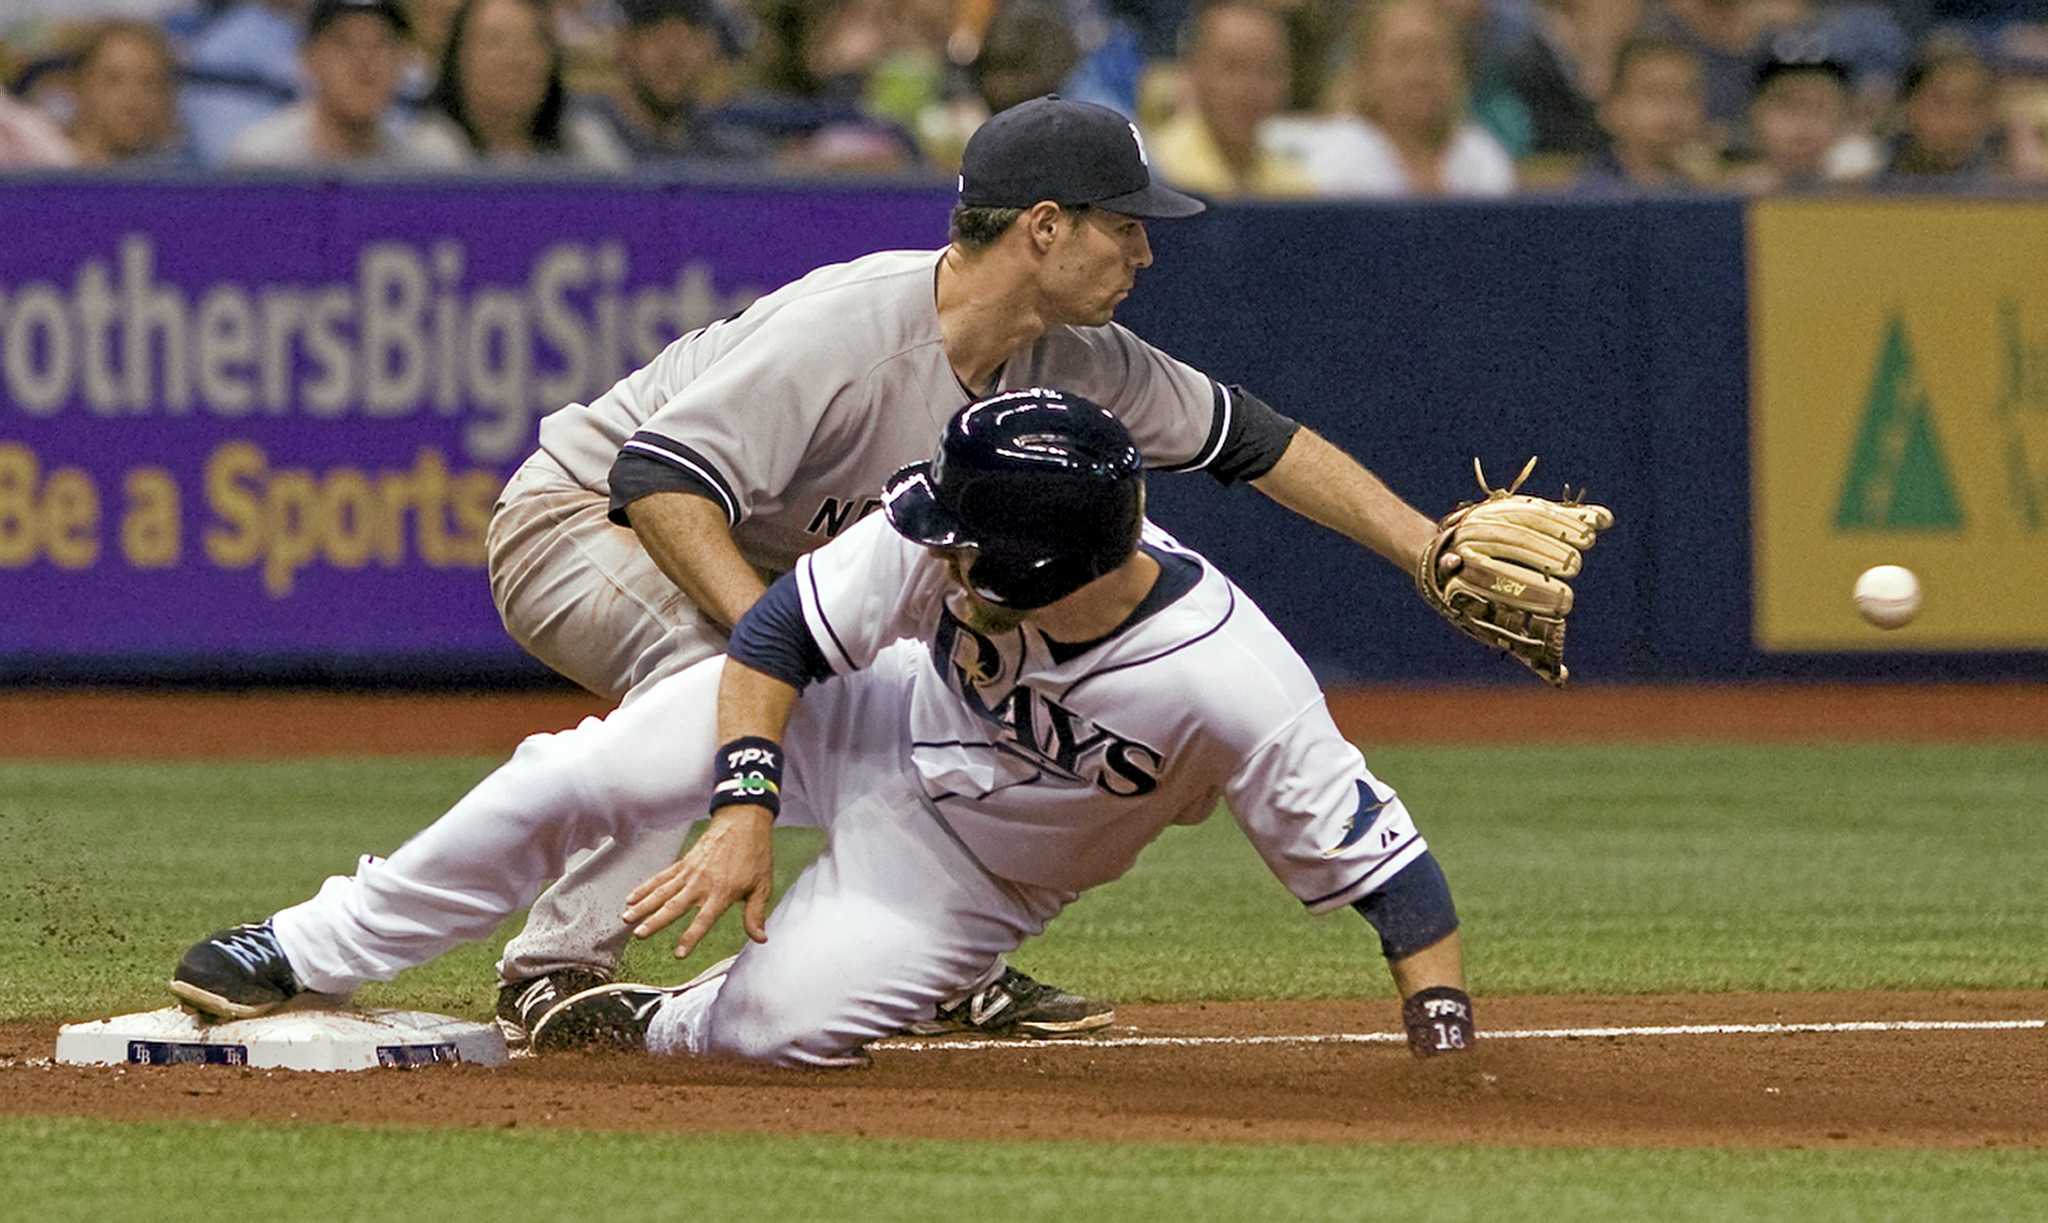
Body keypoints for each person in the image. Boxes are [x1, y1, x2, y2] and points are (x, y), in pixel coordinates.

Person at [435, 95, 1484, 1051]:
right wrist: (775, 638)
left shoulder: (1081, 355)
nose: (1141, 253)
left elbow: (1250, 439)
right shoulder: (853, 329)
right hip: (576, 522)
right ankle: (556, 966)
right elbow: (656, 478)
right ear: (1041, 227)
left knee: (932, 685)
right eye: (1122, 224)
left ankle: (934, 961)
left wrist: (1421, 547)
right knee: (725, 673)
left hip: (746, 548)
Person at [170, 393, 1566, 1067]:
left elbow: (1396, 874)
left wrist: (1441, 1037)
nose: (935, 549)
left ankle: (652, 1025)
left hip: (974, 877)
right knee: (584, 769)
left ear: (1047, 562)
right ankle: (299, 946)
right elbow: (776, 636)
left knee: (774, 1033)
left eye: (967, 544)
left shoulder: (1231, 681)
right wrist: (743, 799)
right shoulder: (943, 517)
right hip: (875, 715)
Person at [1268, 0, 1515, 197]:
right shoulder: (1333, 160)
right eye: (1402, 55)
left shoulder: (1481, 156)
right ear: (1364, 70)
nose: (1420, 74)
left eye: (1435, 55)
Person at [409, 0, 629, 169]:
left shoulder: (586, 143)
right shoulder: (427, 156)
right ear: (457, 58)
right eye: (494, 42)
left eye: (530, 41)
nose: (515, 59)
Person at [227, 0, 445, 166]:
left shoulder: (426, 164)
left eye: (380, 44)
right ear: (309, 59)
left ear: (403, 61)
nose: (364, 63)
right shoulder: (262, 161)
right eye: (344, 43)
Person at [1147, 0, 1316, 197]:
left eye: (1268, 70)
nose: (1251, 88)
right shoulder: (1157, 172)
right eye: (1233, 67)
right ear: (1193, 71)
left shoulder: (1295, 189)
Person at [578, 0, 767, 165]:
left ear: (709, 48)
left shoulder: (727, 149)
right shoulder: (575, 133)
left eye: (689, 37)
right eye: (655, 35)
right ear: (625, 45)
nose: (673, 55)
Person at [1571, 33, 1714, 192]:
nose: (1671, 108)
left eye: (1685, 94)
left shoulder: (1701, 191)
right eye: (1653, 93)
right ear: (1612, 108)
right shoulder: (1591, 196)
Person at [1728, 37, 1854, 191]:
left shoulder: (1879, 191)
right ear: (1755, 113)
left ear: (1846, 116)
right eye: (1787, 105)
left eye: (1819, 107)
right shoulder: (1715, 191)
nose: (1803, 123)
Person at [1879, 34, 1999, 185]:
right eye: (1942, 104)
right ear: (1908, 106)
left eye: (1975, 103)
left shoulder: (2013, 186)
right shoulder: (1863, 176)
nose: (1959, 123)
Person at [65, 20, 187, 166]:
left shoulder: (179, 175)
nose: (133, 98)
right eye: (113, 80)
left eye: (149, 83)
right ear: (78, 86)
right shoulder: (40, 162)